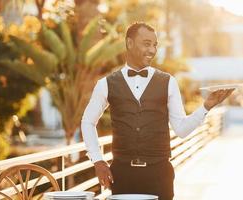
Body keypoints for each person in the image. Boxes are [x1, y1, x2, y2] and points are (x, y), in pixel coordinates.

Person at [81, 22, 234, 200]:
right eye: (146, 43)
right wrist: (98, 160)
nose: (152, 50)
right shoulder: (106, 84)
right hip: (122, 175)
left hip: (159, 175)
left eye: (155, 45)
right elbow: (87, 122)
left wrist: (206, 106)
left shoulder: (168, 82)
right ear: (129, 43)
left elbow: (181, 129)